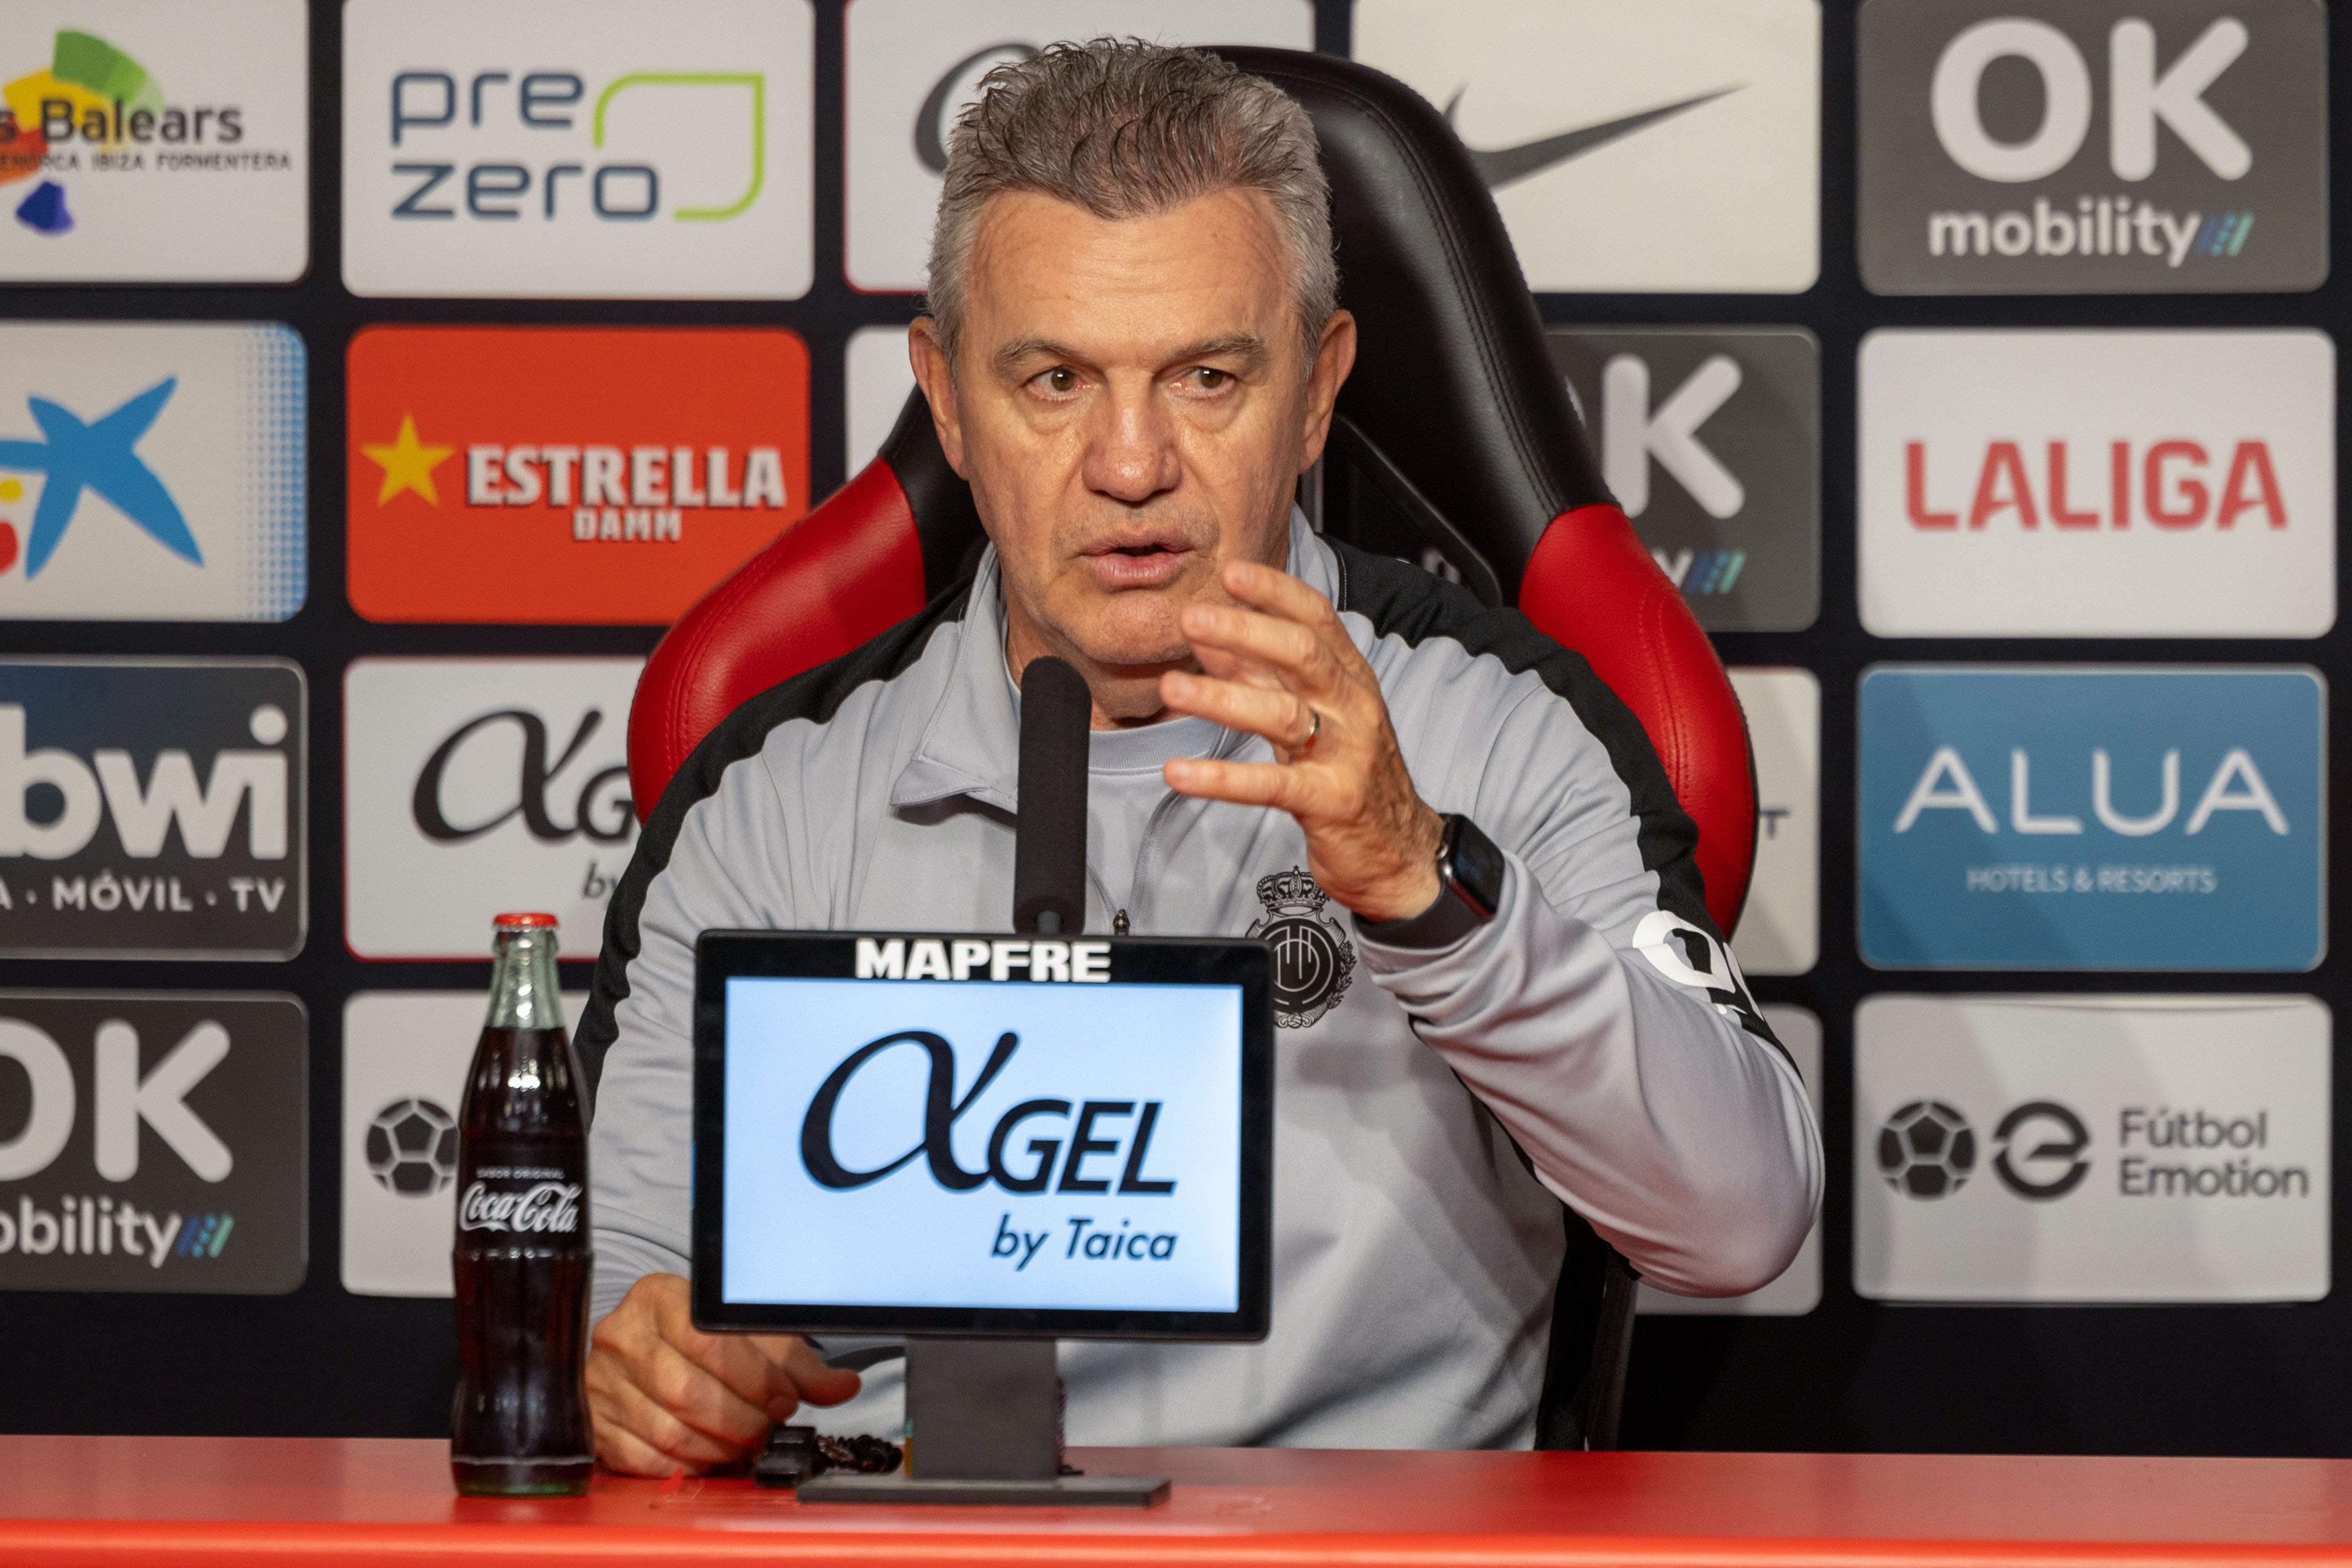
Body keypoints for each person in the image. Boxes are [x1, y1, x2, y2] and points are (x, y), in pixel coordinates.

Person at [578, 38, 1821, 1476]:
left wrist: (1425, 885)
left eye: (1206, 377)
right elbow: (621, 1296)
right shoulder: (772, 795)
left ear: (1314, 391)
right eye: (1052, 379)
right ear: (948, 399)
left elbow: (1738, 1225)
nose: (1128, 462)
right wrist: (648, 1372)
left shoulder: (1505, 728)